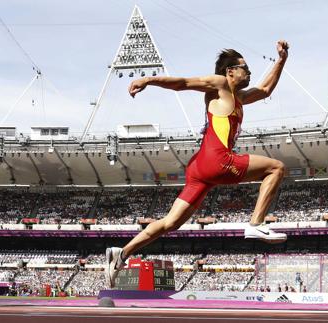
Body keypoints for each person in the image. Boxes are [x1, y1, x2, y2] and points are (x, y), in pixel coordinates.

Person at [105, 41, 290, 287]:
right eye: (244, 67)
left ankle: (121, 254)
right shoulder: (219, 84)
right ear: (230, 71)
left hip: (201, 168)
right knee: (276, 168)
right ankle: (256, 223)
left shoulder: (240, 97)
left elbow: (266, 89)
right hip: (218, 160)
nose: (249, 72)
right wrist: (148, 80)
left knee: (170, 223)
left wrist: (281, 60)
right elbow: (182, 83)